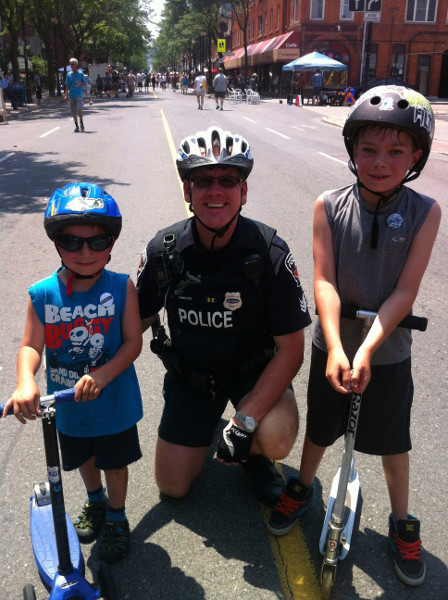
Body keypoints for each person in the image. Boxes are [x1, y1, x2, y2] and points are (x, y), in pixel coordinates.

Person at [267, 86, 441, 587]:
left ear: (416, 157)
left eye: (395, 151)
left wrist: (366, 348)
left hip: (387, 353)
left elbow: (405, 289)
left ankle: (403, 522)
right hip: (332, 344)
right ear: (351, 151)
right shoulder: (328, 205)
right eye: (369, 149)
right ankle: (302, 486)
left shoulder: (425, 212)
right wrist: (338, 347)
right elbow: (323, 280)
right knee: (322, 427)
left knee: (392, 442)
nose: (380, 162)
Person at [136, 126, 312, 506]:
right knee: (172, 487)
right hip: (192, 379)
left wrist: (246, 420)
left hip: (253, 374)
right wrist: (91, 366)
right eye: (202, 180)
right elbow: (134, 326)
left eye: (228, 180)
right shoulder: (163, 250)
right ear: (188, 191)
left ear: (243, 191)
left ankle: (254, 452)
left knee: (277, 436)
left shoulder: (269, 253)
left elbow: (292, 351)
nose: (215, 190)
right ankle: (207, 424)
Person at [2, 182, 143, 563]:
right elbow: (31, 346)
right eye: (71, 241)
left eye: (98, 242)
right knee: (83, 459)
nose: (85, 252)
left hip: (112, 403)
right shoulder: (43, 293)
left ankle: (116, 515)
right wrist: (26, 380)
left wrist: (103, 375)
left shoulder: (121, 287)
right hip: (69, 407)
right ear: (56, 243)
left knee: (114, 463)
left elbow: (133, 343)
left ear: (111, 243)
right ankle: (95, 501)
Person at [64, 58, 86, 132]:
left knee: (79, 109)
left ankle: (81, 122)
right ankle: (76, 126)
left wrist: (80, 83)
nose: (71, 66)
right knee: (73, 111)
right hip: (71, 95)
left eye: (73, 64)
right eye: (70, 64)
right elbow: (67, 85)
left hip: (78, 94)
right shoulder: (68, 74)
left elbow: (85, 83)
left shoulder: (80, 73)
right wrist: (66, 94)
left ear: (76, 65)